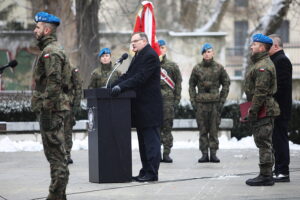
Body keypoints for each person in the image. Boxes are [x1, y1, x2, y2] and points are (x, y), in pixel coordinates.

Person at [111, 32, 163, 182]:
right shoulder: (138, 56)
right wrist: (111, 86)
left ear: (144, 41)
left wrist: (121, 87)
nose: (132, 44)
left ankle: (152, 173)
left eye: (135, 41)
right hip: (140, 107)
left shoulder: (150, 55)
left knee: (151, 142)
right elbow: (129, 75)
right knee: (143, 142)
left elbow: (140, 77)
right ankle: (145, 170)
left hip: (149, 107)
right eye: (131, 41)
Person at [31, 11, 70, 199]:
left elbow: (54, 84)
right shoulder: (49, 50)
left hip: (52, 111)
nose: (34, 30)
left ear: (47, 29)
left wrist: (46, 109)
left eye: (37, 27)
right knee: (57, 158)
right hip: (52, 109)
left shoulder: (51, 52)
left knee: (57, 160)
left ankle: (54, 197)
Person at [244, 33, 280, 186]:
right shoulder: (259, 63)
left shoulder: (263, 66)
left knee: (264, 142)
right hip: (261, 107)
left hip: (263, 108)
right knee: (263, 142)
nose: (251, 46)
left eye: (254, 44)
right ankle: (265, 173)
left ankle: (266, 176)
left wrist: (253, 111)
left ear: (261, 47)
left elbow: (260, 92)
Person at [189, 43, 230, 163]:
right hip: (201, 103)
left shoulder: (219, 68)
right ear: (202, 54)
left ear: (213, 53)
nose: (207, 54)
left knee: (213, 130)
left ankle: (213, 153)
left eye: (209, 51)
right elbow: (191, 85)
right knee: (202, 130)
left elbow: (226, 83)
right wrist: (193, 100)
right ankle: (204, 154)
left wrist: (222, 100)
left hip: (214, 104)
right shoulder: (197, 68)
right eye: (205, 52)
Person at [268, 34, 292, 182]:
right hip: (276, 108)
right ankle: (278, 170)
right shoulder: (275, 60)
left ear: (276, 46)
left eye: (268, 46)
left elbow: (281, 87)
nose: (265, 48)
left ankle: (283, 171)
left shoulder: (281, 61)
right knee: (276, 141)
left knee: (280, 140)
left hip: (280, 109)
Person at [158, 39, 182, 163]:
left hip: (168, 102)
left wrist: (176, 100)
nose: (160, 50)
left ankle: (166, 153)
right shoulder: (151, 65)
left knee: (167, 128)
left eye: (162, 47)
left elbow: (178, 83)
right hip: (154, 102)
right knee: (155, 128)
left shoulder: (172, 66)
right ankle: (156, 153)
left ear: (165, 49)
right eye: (158, 48)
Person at [64, 65, 82, 164]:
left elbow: (78, 87)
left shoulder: (72, 69)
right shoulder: (53, 70)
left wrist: (76, 104)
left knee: (67, 131)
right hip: (55, 105)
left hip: (68, 105)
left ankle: (66, 154)